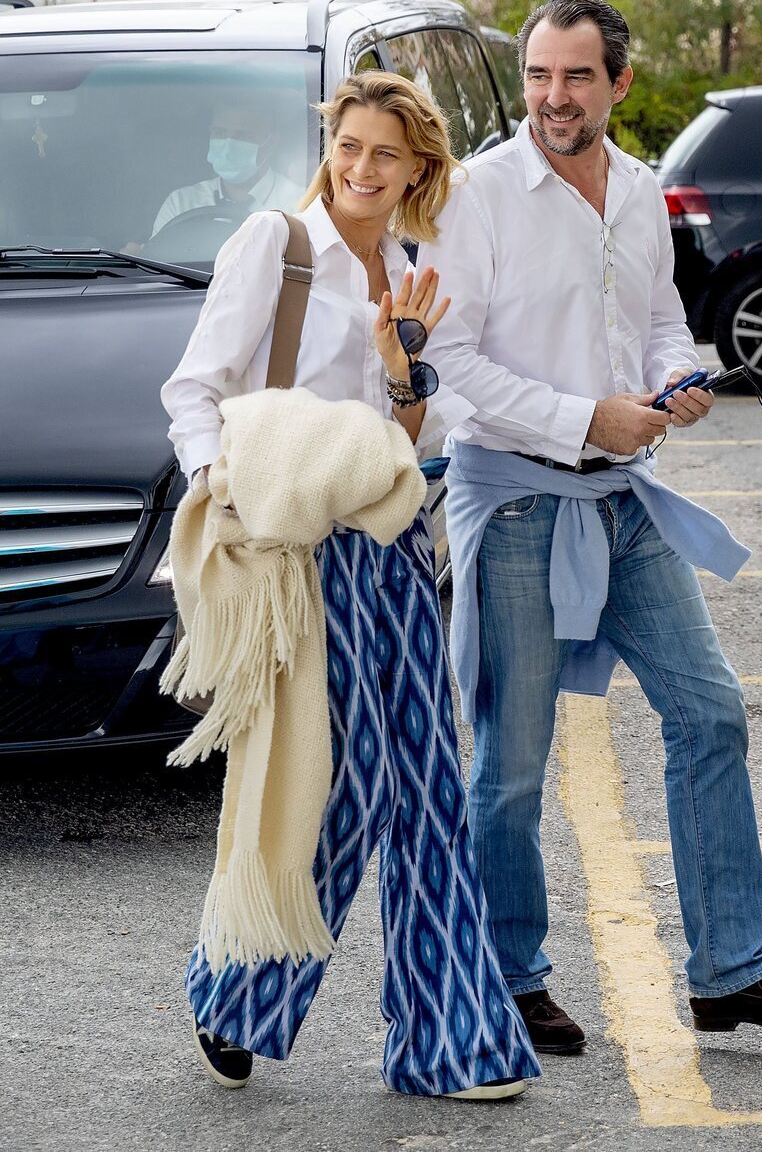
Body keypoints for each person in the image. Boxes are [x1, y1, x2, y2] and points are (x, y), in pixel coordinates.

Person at [418, 0, 762, 1052]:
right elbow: (452, 358)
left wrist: (672, 379)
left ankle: (728, 972)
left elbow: (659, 319)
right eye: (535, 75)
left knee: (708, 712)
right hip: (514, 494)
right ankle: (508, 976)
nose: (551, 97)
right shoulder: (477, 194)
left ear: (616, 81)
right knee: (510, 761)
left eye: (574, 77)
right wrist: (583, 415)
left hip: (625, 495)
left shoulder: (640, 188)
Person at [161, 71, 539, 1099]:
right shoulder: (275, 249)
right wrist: (222, 491)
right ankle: (236, 991)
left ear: (419, 166)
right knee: (348, 781)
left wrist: (403, 366)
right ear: (329, 147)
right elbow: (193, 390)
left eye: (385, 153)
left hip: (394, 548)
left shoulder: (413, 268)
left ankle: (452, 1042)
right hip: (299, 554)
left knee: (427, 790)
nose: (361, 169)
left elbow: (408, 437)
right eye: (347, 145)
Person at [151, 93, 304, 238]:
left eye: (243, 136)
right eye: (220, 133)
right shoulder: (181, 203)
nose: (229, 145)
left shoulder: (299, 206)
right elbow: (156, 258)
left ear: (271, 143)